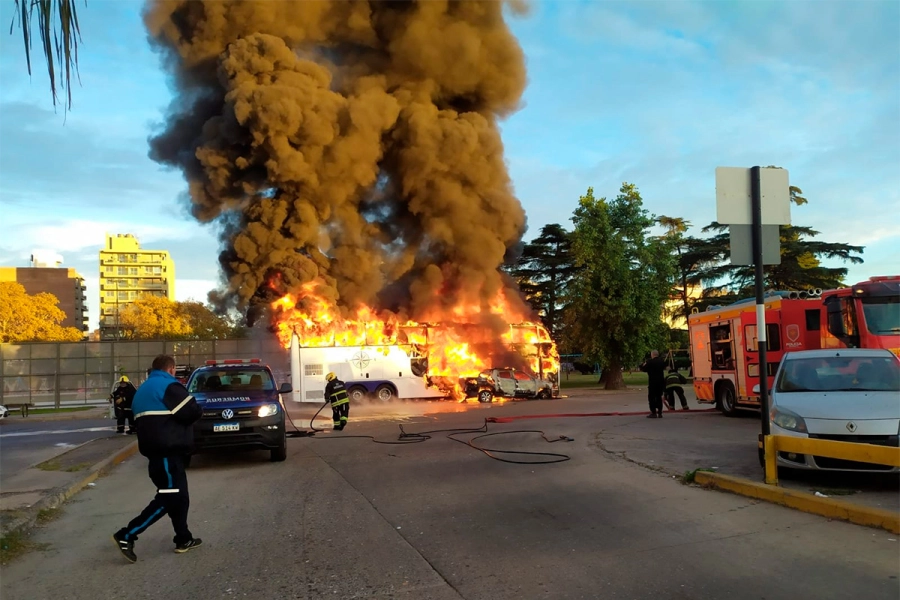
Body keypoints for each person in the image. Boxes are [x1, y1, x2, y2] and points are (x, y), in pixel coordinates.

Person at [112, 355, 203, 563]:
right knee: (170, 498)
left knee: (180, 496)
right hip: (167, 452)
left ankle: (183, 538)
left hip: (158, 453)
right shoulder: (168, 386)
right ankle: (127, 535)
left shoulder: (143, 389)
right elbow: (192, 411)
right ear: (171, 368)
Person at [639, 350, 667, 418]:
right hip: (660, 382)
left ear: (652, 355)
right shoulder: (662, 361)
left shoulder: (650, 362)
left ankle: (653, 412)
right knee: (659, 397)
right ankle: (660, 412)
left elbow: (643, 369)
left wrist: (642, 365)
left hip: (653, 382)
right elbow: (665, 367)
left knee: (651, 397)